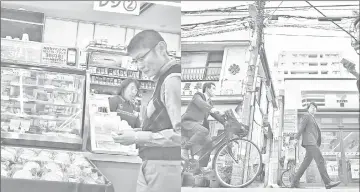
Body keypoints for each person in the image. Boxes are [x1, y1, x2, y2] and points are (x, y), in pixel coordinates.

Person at [112, 30, 181, 192]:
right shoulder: (162, 79)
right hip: (154, 164)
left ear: (161, 49)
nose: (140, 66)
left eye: (142, 58)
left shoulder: (172, 80)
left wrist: (137, 136)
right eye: (136, 61)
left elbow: (181, 134)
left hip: (166, 166)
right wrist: (135, 132)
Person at [291, 102, 341, 189]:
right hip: (310, 142)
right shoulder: (307, 116)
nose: (313, 109)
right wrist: (296, 138)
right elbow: (301, 127)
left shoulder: (313, 118)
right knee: (320, 159)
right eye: (311, 107)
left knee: (305, 163)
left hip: (312, 142)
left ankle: (294, 182)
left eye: (315, 108)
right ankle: (328, 182)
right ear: (308, 109)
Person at [181, 82, 225, 174]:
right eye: (213, 88)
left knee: (209, 143)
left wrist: (226, 122)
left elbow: (217, 116)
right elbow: (201, 104)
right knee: (204, 131)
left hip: (197, 127)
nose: (214, 91)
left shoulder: (209, 103)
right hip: (188, 123)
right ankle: (184, 148)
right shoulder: (198, 96)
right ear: (207, 89)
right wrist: (212, 109)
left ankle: (201, 167)